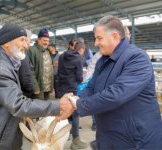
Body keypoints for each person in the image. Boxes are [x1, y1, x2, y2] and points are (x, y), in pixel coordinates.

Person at [0, 23, 75, 150]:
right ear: (7, 43)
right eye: (22, 40)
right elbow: (18, 104)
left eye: (26, 40)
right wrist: (59, 105)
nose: (26, 45)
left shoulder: (7, 63)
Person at [68, 15, 162, 150]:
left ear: (115, 36)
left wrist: (78, 104)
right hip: (109, 137)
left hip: (135, 141)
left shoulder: (137, 58)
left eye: (99, 38)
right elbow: (92, 86)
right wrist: (78, 98)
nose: (95, 43)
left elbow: (117, 94)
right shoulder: (103, 60)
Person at [57, 41, 88, 150]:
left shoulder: (61, 56)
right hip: (71, 90)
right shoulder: (78, 58)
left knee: (63, 112)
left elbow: (59, 72)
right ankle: (75, 140)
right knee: (75, 114)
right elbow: (79, 78)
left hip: (60, 88)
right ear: (81, 50)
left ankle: (64, 135)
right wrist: (83, 78)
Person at [28, 28, 53, 100]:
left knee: (46, 108)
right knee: (38, 109)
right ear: (38, 39)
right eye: (44, 40)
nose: (46, 43)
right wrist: (35, 87)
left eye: (48, 41)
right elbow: (30, 71)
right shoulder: (32, 50)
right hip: (38, 89)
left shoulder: (47, 51)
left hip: (47, 88)